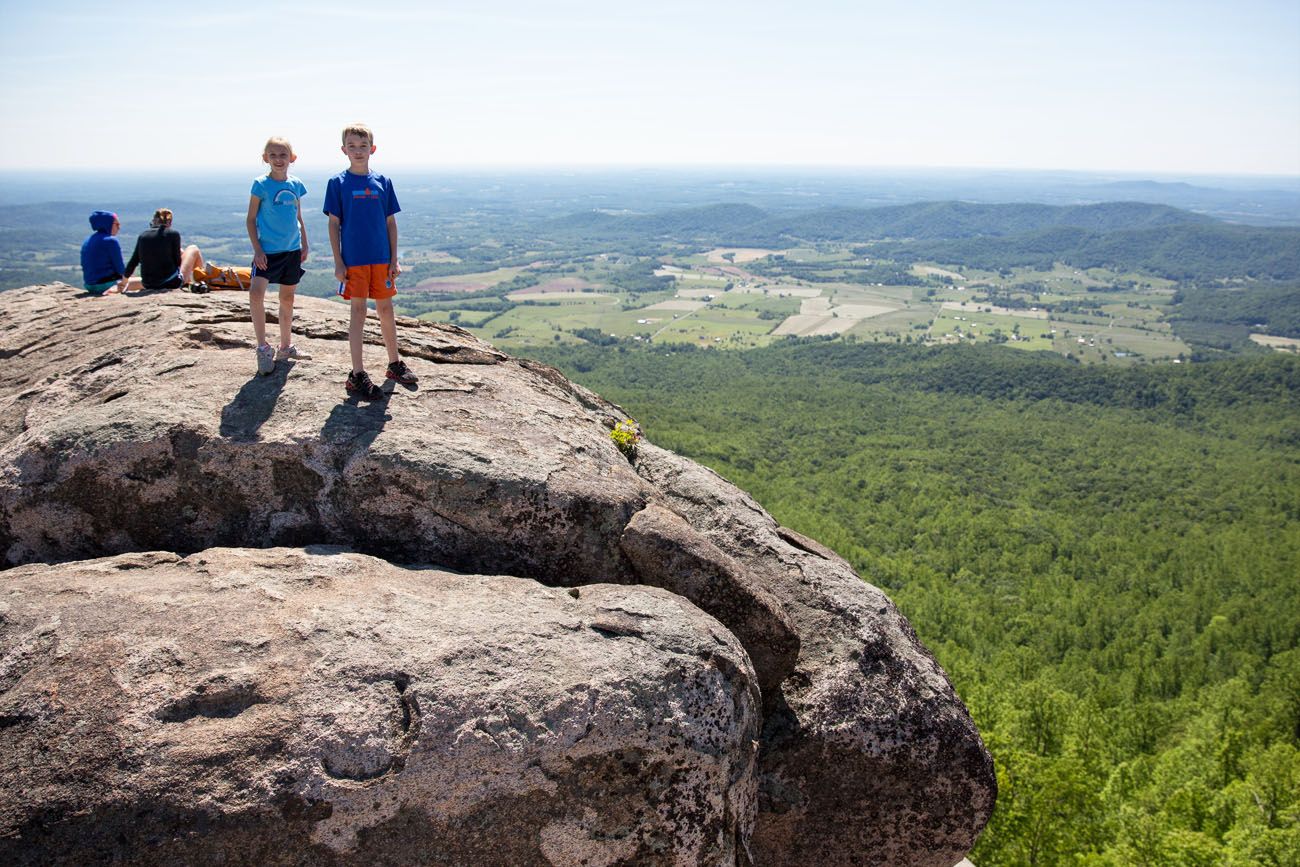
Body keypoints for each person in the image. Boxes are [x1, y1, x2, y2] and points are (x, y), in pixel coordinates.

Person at [324, 123, 418, 399]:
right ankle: (357, 374)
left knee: (386, 310)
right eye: (352, 146)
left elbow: (390, 222)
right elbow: (333, 225)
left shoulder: (383, 182)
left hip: (380, 258)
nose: (358, 151)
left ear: (372, 149)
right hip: (354, 260)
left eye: (363, 146)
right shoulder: (338, 183)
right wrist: (338, 261)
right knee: (358, 313)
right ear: (343, 150)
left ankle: (394, 364)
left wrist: (393, 258)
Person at [246, 137, 311, 375]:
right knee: (256, 293)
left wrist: (305, 242)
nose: (278, 159)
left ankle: (285, 347)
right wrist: (257, 249)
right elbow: (251, 219)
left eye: (283, 155)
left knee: (287, 298)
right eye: (272, 155)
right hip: (268, 252)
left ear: (292, 159)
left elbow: (298, 216)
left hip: (291, 250)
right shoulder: (260, 185)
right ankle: (263, 348)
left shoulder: (296, 185)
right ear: (265, 158)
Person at [122, 208, 205, 293]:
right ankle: (204, 282)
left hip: (148, 284)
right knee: (193, 248)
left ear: (154, 221)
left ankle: (191, 283)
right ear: (169, 222)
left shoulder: (143, 236)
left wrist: (124, 281)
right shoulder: (173, 234)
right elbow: (178, 262)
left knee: (132, 282)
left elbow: (133, 262)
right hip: (171, 283)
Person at [79, 210, 128, 295]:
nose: (119, 227)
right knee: (145, 282)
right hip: (106, 285)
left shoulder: (87, 240)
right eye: (117, 224)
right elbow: (121, 269)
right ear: (107, 224)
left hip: (89, 285)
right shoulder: (111, 240)